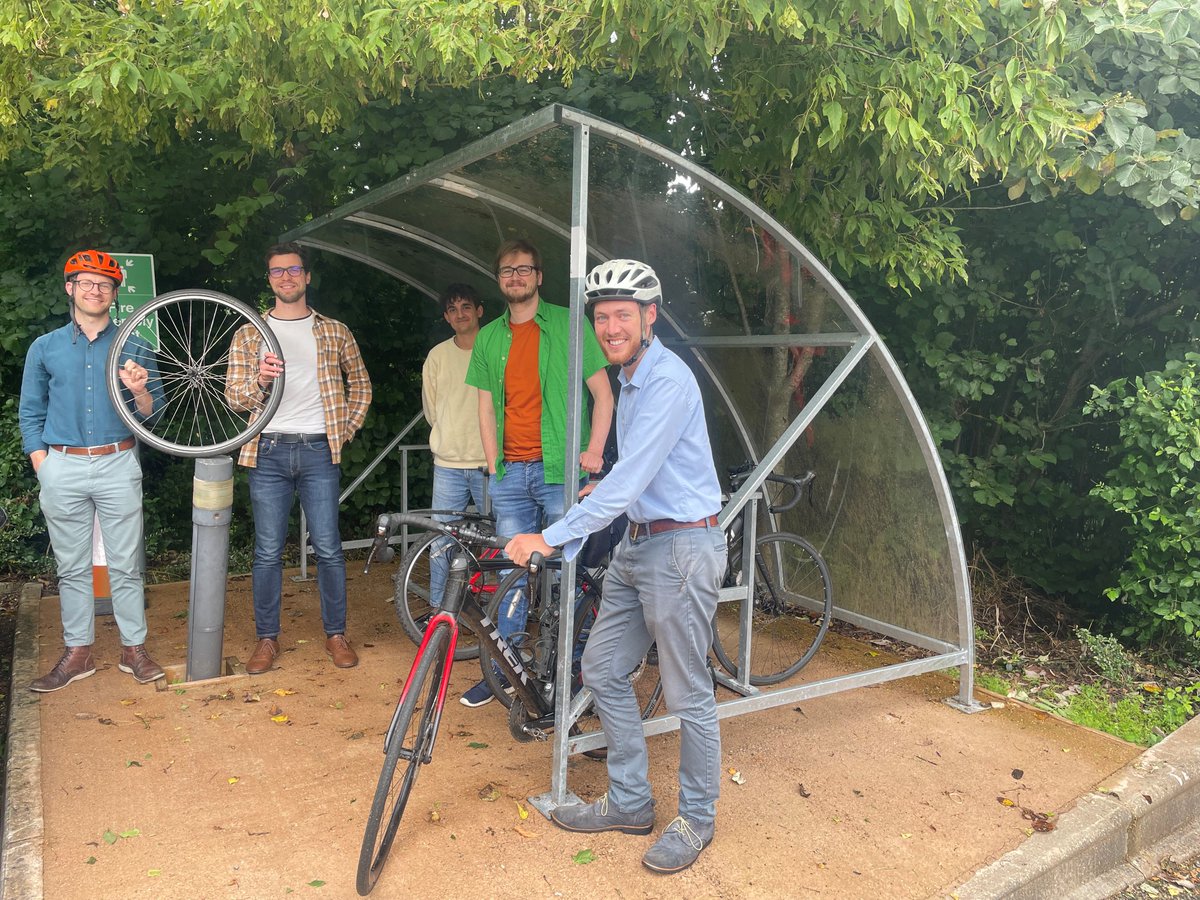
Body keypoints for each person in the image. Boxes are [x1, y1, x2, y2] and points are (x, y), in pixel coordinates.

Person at [506, 259, 727, 874]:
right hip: (638, 542)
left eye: (623, 315)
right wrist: (599, 488)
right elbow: (633, 475)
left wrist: (550, 537)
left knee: (688, 693)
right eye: (602, 318)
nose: (610, 327)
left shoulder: (668, 381)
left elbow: (632, 479)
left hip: (681, 549)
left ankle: (697, 818)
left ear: (650, 316)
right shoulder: (627, 379)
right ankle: (630, 801)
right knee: (601, 667)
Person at [461, 238, 613, 707]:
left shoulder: (570, 324)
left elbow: (603, 395)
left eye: (524, 269)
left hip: (561, 472)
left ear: (539, 276)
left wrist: (594, 450)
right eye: (507, 271)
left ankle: (575, 670)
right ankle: (505, 670)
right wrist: (493, 463)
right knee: (513, 573)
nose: (516, 277)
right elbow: (485, 406)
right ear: (499, 279)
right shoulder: (489, 336)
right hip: (510, 474)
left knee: (569, 571)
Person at [19, 249, 166, 691]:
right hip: (61, 464)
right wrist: (43, 464)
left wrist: (139, 391)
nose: (95, 290)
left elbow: (154, 414)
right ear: (71, 288)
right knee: (71, 567)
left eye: (104, 284)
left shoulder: (135, 344)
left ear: (115, 294)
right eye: (86, 282)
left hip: (118, 460)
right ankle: (78, 653)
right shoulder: (44, 347)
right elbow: (30, 412)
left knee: (126, 565)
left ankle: (133, 649)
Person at [224, 243, 372, 675]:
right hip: (267, 450)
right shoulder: (249, 333)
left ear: (307, 277)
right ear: (269, 279)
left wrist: (342, 431)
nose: (286, 277)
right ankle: (266, 639)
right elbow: (234, 398)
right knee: (268, 551)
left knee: (328, 547)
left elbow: (361, 385)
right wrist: (260, 381)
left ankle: (336, 634)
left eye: (293, 270)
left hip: (318, 450)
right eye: (277, 271)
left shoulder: (335, 331)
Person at [421, 283, 488, 607]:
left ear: (479, 311)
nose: (460, 314)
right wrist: (449, 435)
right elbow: (431, 410)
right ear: (446, 317)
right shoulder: (437, 356)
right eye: (452, 309)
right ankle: (439, 611)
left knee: (496, 543)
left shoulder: (495, 348)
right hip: (448, 463)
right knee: (441, 541)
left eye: (466, 307)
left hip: (490, 463)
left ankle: (495, 612)